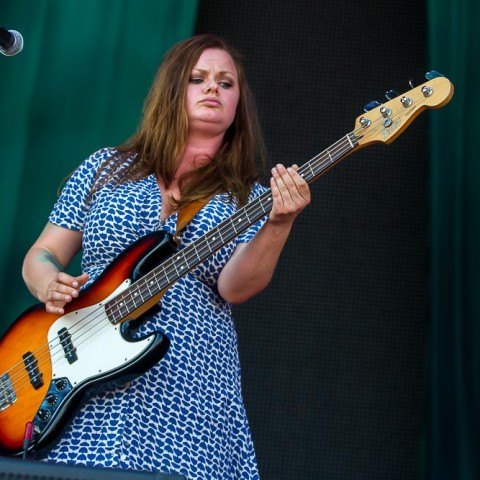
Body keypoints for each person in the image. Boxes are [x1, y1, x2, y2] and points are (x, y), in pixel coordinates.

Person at [22, 33, 310, 480]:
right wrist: (46, 280)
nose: (213, 88)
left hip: (189, 393)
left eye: (226, 83)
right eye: (198, 79)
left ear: (238, 106)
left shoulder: (247, 198)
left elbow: (236, 287)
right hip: (77, 384)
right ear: (173, 90)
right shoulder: (105, 168)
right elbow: (41, 254)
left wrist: (279, 223)